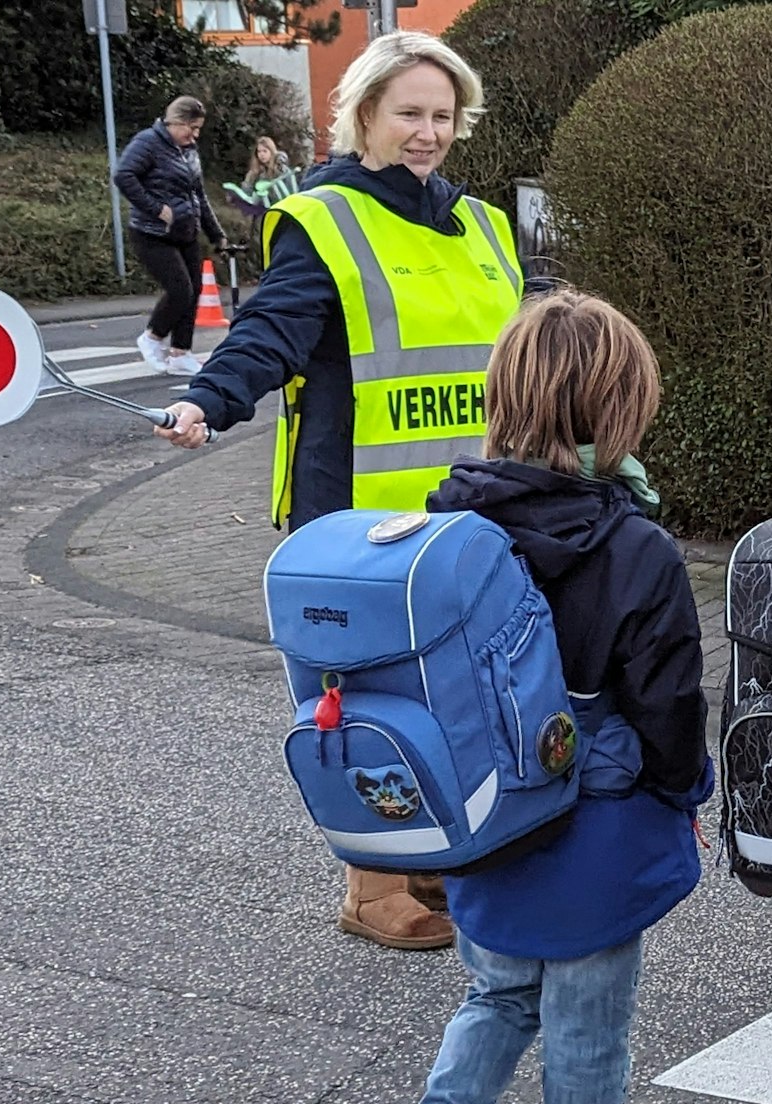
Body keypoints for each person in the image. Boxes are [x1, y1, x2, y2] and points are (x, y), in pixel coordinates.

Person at [154, 30, 523, 951]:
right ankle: (372, 880)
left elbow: (524, 351)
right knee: (363, 700)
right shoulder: (327, 220)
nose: (428, 132)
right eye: (410, 113)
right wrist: (211, 396)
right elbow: (270, 331)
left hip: (472, 508)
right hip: (355, 513)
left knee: (460, 685)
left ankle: (433, 844)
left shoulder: (482, 225)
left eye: (443, 115)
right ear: (363, 113)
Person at [406, 288, 711, 1104]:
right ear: (619, 410)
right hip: (596, 840)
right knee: (586, 1035)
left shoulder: (448, 522)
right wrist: (687, 790)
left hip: (486, 821)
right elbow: (669, 704)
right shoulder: (636, 548)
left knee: (498, 995)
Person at [114, 95, 227, 377]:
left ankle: (181, 353)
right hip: (152, 232)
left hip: (186, 230)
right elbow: (124, 175)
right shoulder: (147, 143)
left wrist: (217, 234)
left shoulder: (188, 150)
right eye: (192, 128)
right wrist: (156, 208)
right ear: (176, 122)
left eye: (198, 129)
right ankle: (152, 337)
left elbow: (198, 194)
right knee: (180, 289)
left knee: (195, 291)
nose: (195, 135)